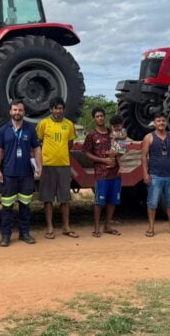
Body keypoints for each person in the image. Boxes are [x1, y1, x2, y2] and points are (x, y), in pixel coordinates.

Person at [0, 100, 43, 247]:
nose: (17, 113)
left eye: (20, 110)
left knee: (25, 206)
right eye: (15, 110)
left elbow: (37, 149)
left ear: (24, 112)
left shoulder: (30, 129)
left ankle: (24, 233)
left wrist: (39, 167)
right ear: (10, 112)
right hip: (9, 174)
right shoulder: (3, 129)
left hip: (26, 174)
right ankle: (6, 236)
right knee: (7, 207)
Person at [36, 97, 78, 239]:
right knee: (48, 199)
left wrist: (61, 154)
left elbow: (70, 144)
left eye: (60, 108)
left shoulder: (69, 125)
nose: (58, 111)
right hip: (48, 165)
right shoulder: (44, 124)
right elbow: (39, 142)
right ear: (51, 110)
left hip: (64, 165)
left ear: (63, 109)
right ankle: (49, 228)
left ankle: (66, 227)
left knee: (64, 198)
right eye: (55, 108)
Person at [140, 112, 170, 237]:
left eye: (163, 121)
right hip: (155, 176)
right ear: (154, 123)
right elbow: (144, 157)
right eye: (158, 121)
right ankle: (151, 227)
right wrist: (145, 173)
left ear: (166, 123)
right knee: (152, 203)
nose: (161, 123)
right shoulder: (149, 137)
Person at [82, 108, 122, 237]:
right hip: (101, 174)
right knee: (99, 201)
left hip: (115, 173)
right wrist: (102, 160)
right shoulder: (91, 135)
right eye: (97, 116)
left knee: (112, 201)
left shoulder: (113, 133)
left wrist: (116, 156)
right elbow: (86, 152)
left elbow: (120, 148)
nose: (100, 118)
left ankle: (108, 225)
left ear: (105, 117)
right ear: (94, 118)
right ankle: (96, 227)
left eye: (102, 116)